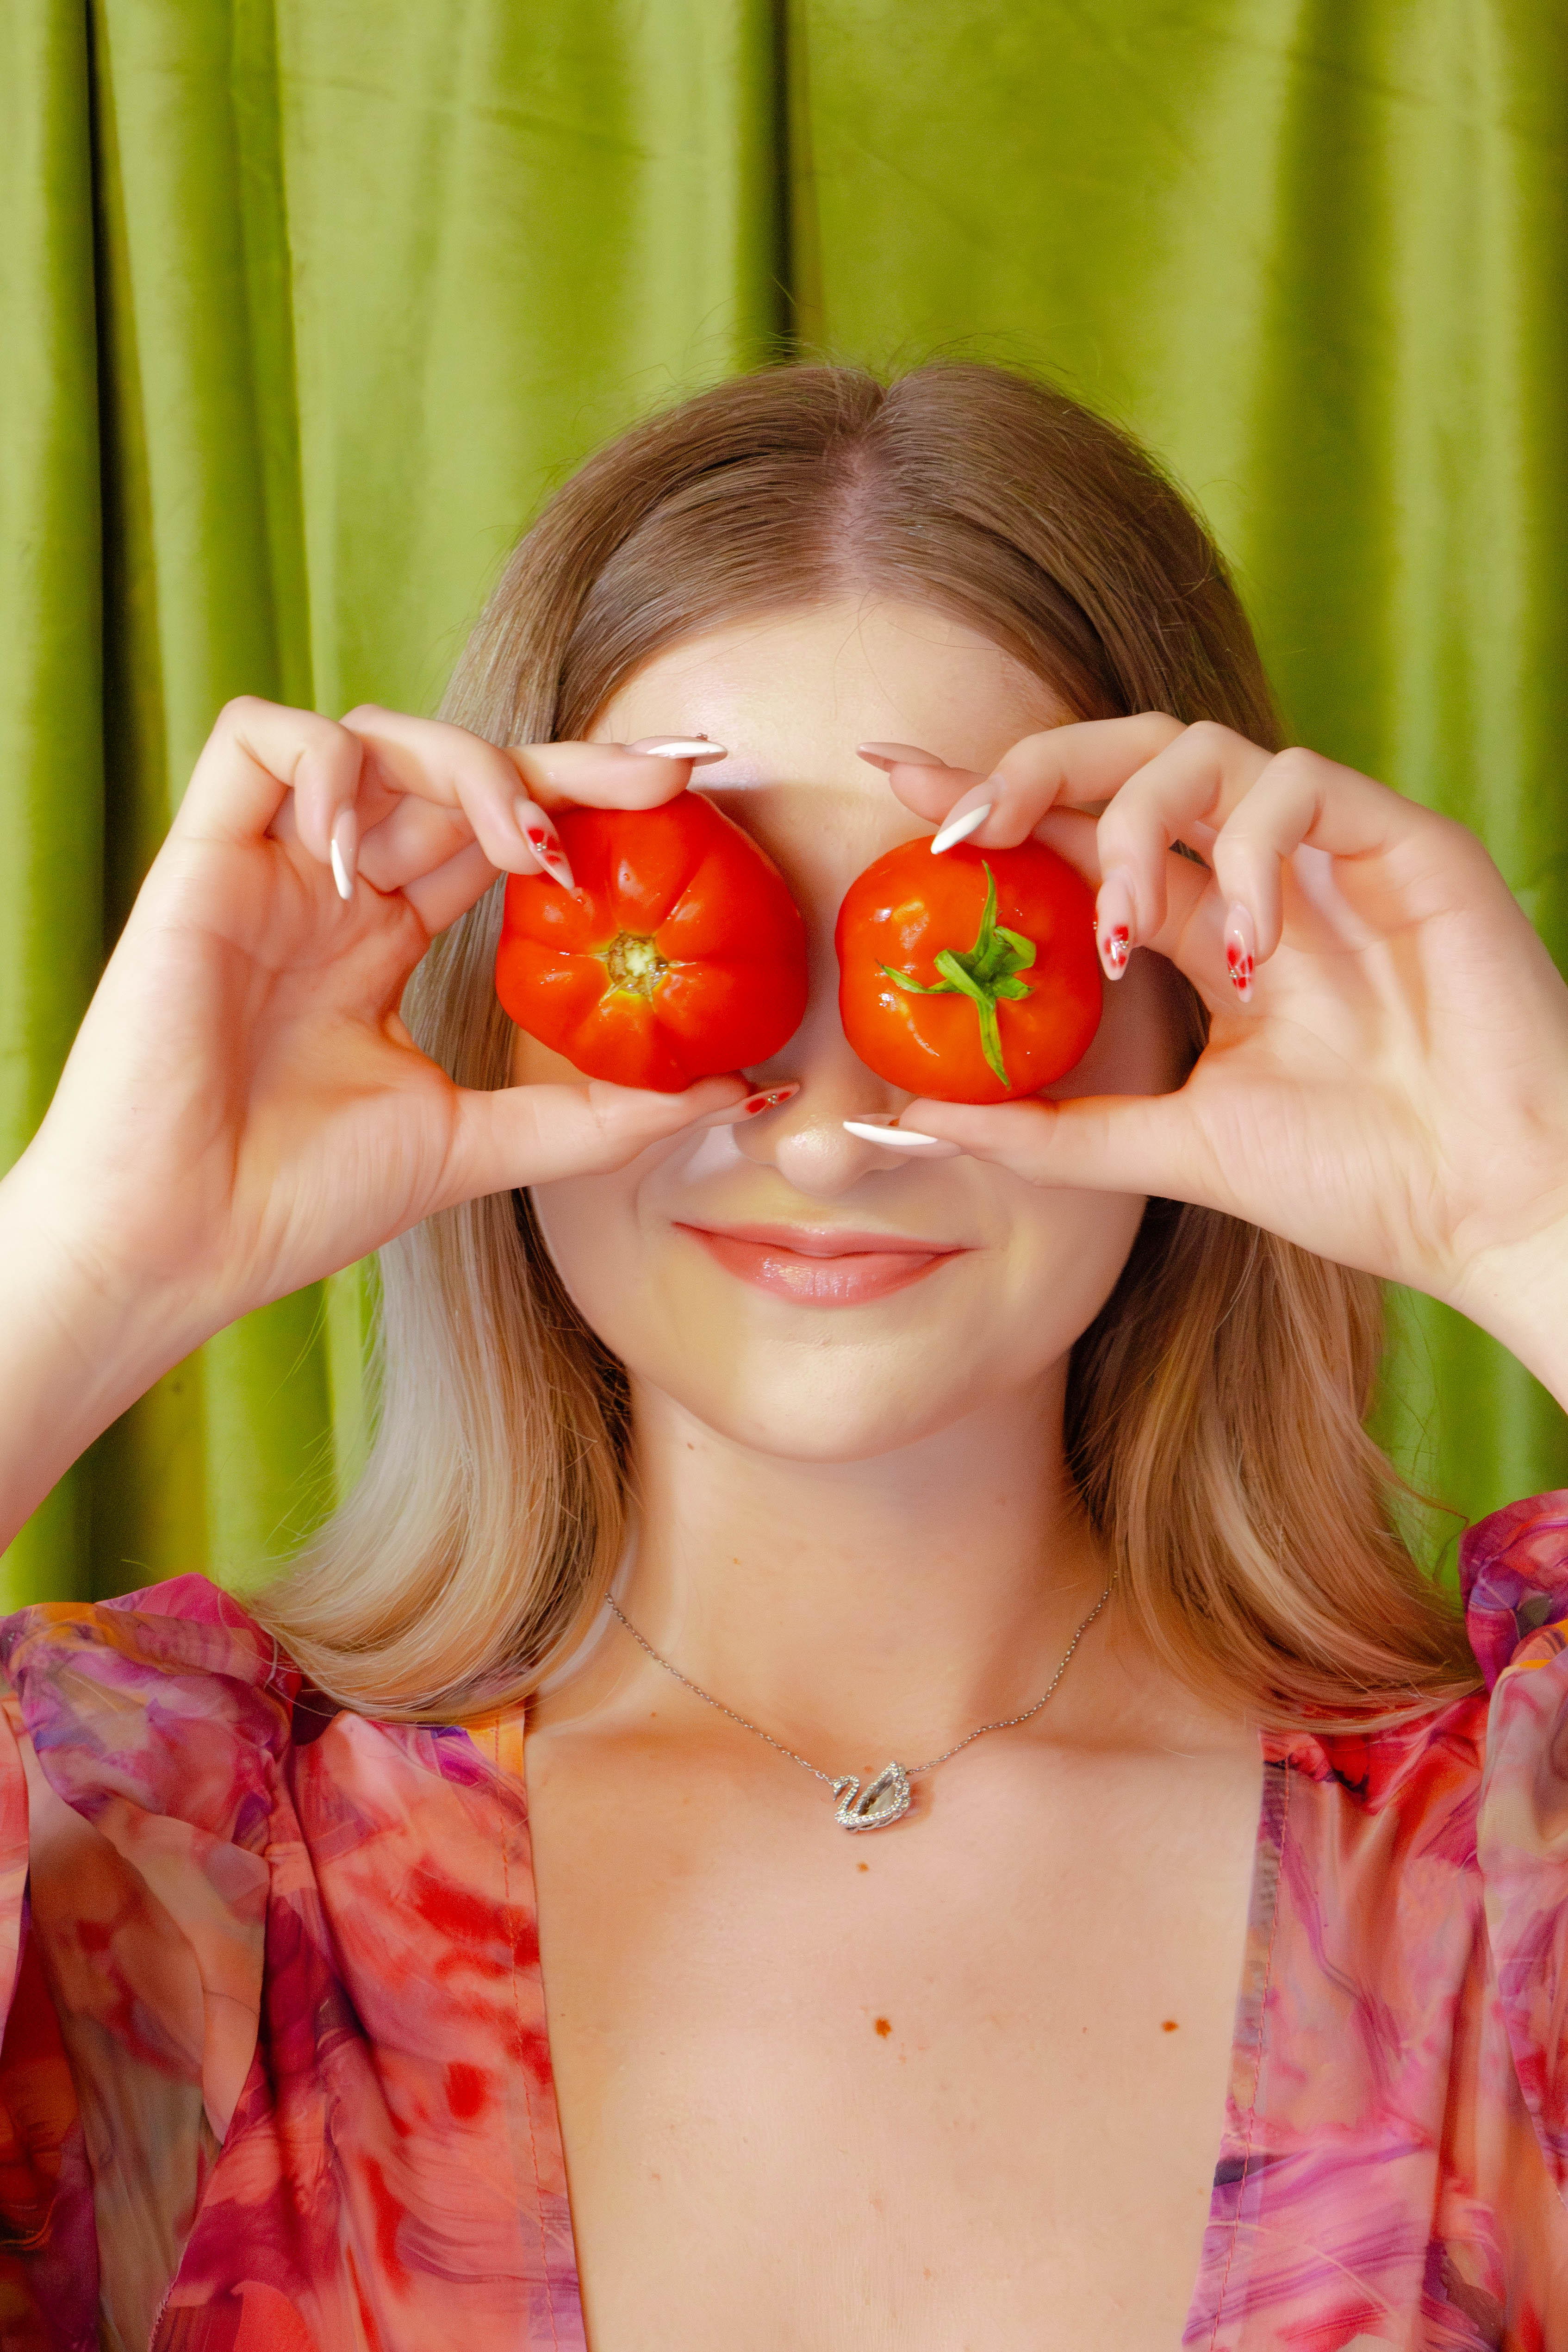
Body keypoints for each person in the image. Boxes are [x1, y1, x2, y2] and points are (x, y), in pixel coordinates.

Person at [0, 363, 1565, 2352]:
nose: (818, 1121)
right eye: (692, 921)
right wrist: (83, 1259)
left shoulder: (1501, 1873)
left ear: (1195, 1007)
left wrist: (1531, 1213)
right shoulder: (151, 1853)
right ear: (495, 1004)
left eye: (961, 930)